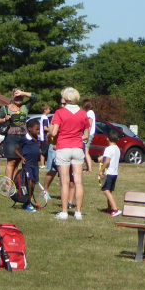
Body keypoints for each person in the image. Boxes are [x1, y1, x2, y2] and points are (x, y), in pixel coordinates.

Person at [48, 87, 92, 220]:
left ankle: (64, 212)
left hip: (63, 147)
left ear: (65, 98)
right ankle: (78, 212)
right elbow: (86, 134)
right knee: (79, 181)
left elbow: (54, 132)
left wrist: (49, 133)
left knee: (65, 182)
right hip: (78, 148)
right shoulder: (83, 113)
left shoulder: (60, 112)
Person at [0, 89, 32, 181]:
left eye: (20, 97)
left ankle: (15, 185)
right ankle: (8, 185)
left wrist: (23, 93)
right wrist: (5, 119)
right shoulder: (5, 108)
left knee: (18, 162)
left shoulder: (25, 107)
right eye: (16, 96)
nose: (19, 98)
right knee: (11, 161)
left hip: (23, 137)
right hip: (11, 137)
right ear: (12, 97)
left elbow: (35, 97)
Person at [15, 118, 43, 212]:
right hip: (27, 164)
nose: (38, 131)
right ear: (30, 129)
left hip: (35, 165)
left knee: (33, 183)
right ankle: (28, 203)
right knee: (29, 182)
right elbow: (16, 150)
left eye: (39, 129)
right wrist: (22, 158)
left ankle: (28, 201)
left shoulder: (37, 139)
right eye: (37, 129)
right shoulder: (24, 139)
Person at [99, 129, 122, 216]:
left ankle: (115, 209)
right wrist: (103, 157)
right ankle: (109, 208)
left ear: (107, 139)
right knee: (110, 191)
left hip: (109, 173)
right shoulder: (117, 149)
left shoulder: (108, 149)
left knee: (106, 190)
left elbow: (107, 161)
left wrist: (101, 170)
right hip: (115, 173)